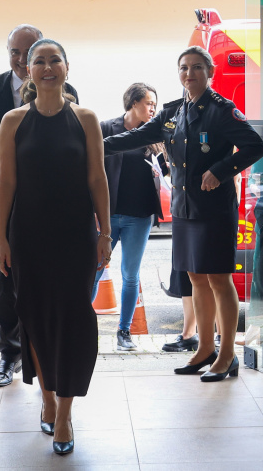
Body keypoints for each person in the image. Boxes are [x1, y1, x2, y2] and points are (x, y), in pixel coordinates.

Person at [105, 46, 263, 382]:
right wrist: (94, 141)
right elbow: (136, 136)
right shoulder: (173, 112)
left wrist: (222, 170)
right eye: (183, 68)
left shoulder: (222, 110)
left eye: (196, 68)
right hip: (184, 208)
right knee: (195, 278)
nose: (188, 74)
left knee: (219, 279)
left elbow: (255, 146)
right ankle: (204, 349)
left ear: (210, 72)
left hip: (214, 207)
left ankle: (227, 355)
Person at [0, 38, 111, 455]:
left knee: (75, 319)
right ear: (27, 70)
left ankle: (63, 413)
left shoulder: (86, 119)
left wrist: (105, 232)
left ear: (66, 67)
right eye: (38, 61)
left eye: (54, 60)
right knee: (35, 317)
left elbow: (97, 179)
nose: (46, 67)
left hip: (75, 236)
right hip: (28, 236)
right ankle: (46, 395)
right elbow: (5, 182)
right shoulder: (12, 121)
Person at [0, 24, 79, 388]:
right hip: (5, 203)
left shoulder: (69, 93)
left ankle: (48, 361)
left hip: (53, 206)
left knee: (49, 283)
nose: (21, 60)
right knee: (3, 280)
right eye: (14, 52)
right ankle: (10, 355)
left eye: (29, 52)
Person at [92, 82, 165, 351]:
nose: (153, 109)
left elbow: (167, 172)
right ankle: (82, 327)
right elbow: (92, 167)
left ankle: (124, 332)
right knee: (95, 271)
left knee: (130, 275)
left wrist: (162, 159)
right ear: (133, 103)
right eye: (149, 103)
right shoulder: (106, 128)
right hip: (107, 215)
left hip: (139, 215)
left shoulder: (155, 134)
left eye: (155, 105)